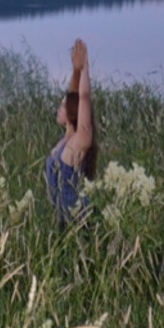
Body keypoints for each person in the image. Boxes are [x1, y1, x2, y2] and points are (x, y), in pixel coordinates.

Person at [45, 38, 97, 224]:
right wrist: (75, 70)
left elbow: (82, 97)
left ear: (72, 113)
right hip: (62, 219)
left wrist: (85, 67)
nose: (58, 109)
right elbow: (73, 96)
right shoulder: (66, 140)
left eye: (62, 107)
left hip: (76, 221)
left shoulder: (80, 140)